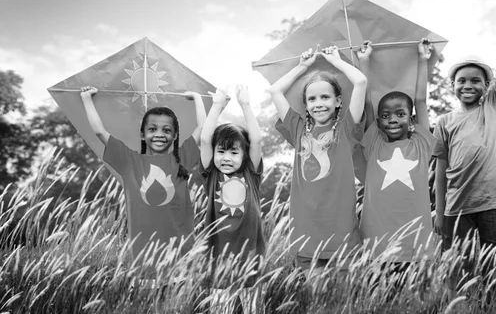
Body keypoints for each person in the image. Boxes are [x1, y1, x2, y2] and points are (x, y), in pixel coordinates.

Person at [433, 0, 496, 296]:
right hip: (456, 207)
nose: (468, 85)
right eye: (462, 80)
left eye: (476, 80)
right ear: (452, 86)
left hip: (494, 205)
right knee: (457, 271)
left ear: (488, 86)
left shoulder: (492, 106)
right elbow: (441, 169)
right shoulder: (445, 122)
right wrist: (438, 208)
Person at [80, 86, 205, 277]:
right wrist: (87, 98)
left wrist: (197, 98)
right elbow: (99, 131)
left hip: (181, 252)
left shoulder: (182, 159)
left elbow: (203, 130)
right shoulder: (129, 161)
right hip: (144, 256)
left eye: (167, 130)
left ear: (175, 135)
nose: (159, 134)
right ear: (142, 134)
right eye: (152, 129)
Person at [267, 45, 368, 274]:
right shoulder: (298, 130)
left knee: (342, 303)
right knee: (316, 302)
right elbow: (275, 92)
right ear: (306, 105)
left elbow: (360, 82)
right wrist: (303, 66)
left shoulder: (347, 130)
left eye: (325, 97)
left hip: (341, 235)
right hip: (306, 235)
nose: (318, 103)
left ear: (338, 101)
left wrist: (336, 62)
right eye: (312, 99)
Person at [357, 39, 436, 292]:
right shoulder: (374, 143)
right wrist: (364, 62)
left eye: (400, 114)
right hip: (377, 243)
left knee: (416, 302)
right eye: (386, 115)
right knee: (379, 300)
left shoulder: (422, 144)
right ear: (378, 121)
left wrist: (422, 60)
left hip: (416, 241)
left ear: (411, 120)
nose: (392, 119)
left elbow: (421, 100)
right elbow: (368, 102)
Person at [200, 84, 265, 313]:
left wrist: (245, 104)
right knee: (221, 309)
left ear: (244, 155)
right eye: (221, 151)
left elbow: (256, 140)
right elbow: (205, 139)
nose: (226, 157)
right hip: (219, 260)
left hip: (251, 258)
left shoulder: (251, 173)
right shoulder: (212, 175)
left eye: (234, 152)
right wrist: (217, 105)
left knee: (253, 308)